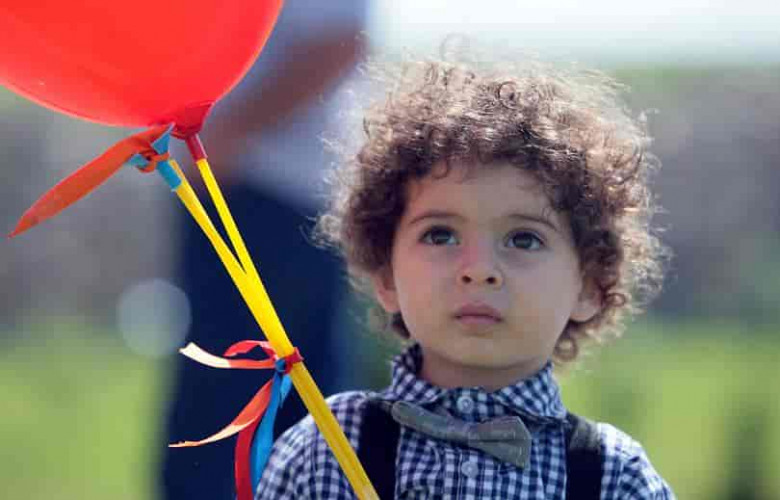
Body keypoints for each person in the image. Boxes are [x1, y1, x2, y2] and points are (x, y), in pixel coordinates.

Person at [256, 52, 675, 499]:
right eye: (440, 235)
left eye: (524, 239)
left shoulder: (615, 477)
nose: (478, 270)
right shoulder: (324, 453)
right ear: (386, 274)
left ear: (589, 285)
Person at [159, 2, 368, 499]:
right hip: (237, 188)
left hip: (276, 197)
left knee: (234, 402)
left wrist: (228, 132)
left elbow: (338, 43)